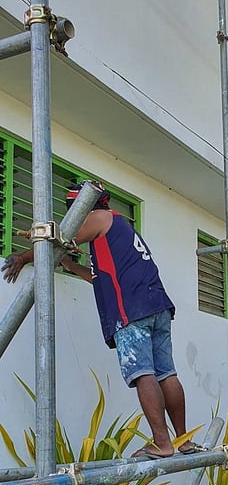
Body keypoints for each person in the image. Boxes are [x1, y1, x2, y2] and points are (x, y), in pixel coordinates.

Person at [1, 182, 204, 460]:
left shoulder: (100, 218)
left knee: (142, 372)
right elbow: (98, 278)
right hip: (156, 305)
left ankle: (162, 442)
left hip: (131, 309)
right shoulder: (119, 230)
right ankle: (183, 441)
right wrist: (71, 266)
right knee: (166, 374)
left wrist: (24, 257)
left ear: (84, 207)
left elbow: (62, 238)